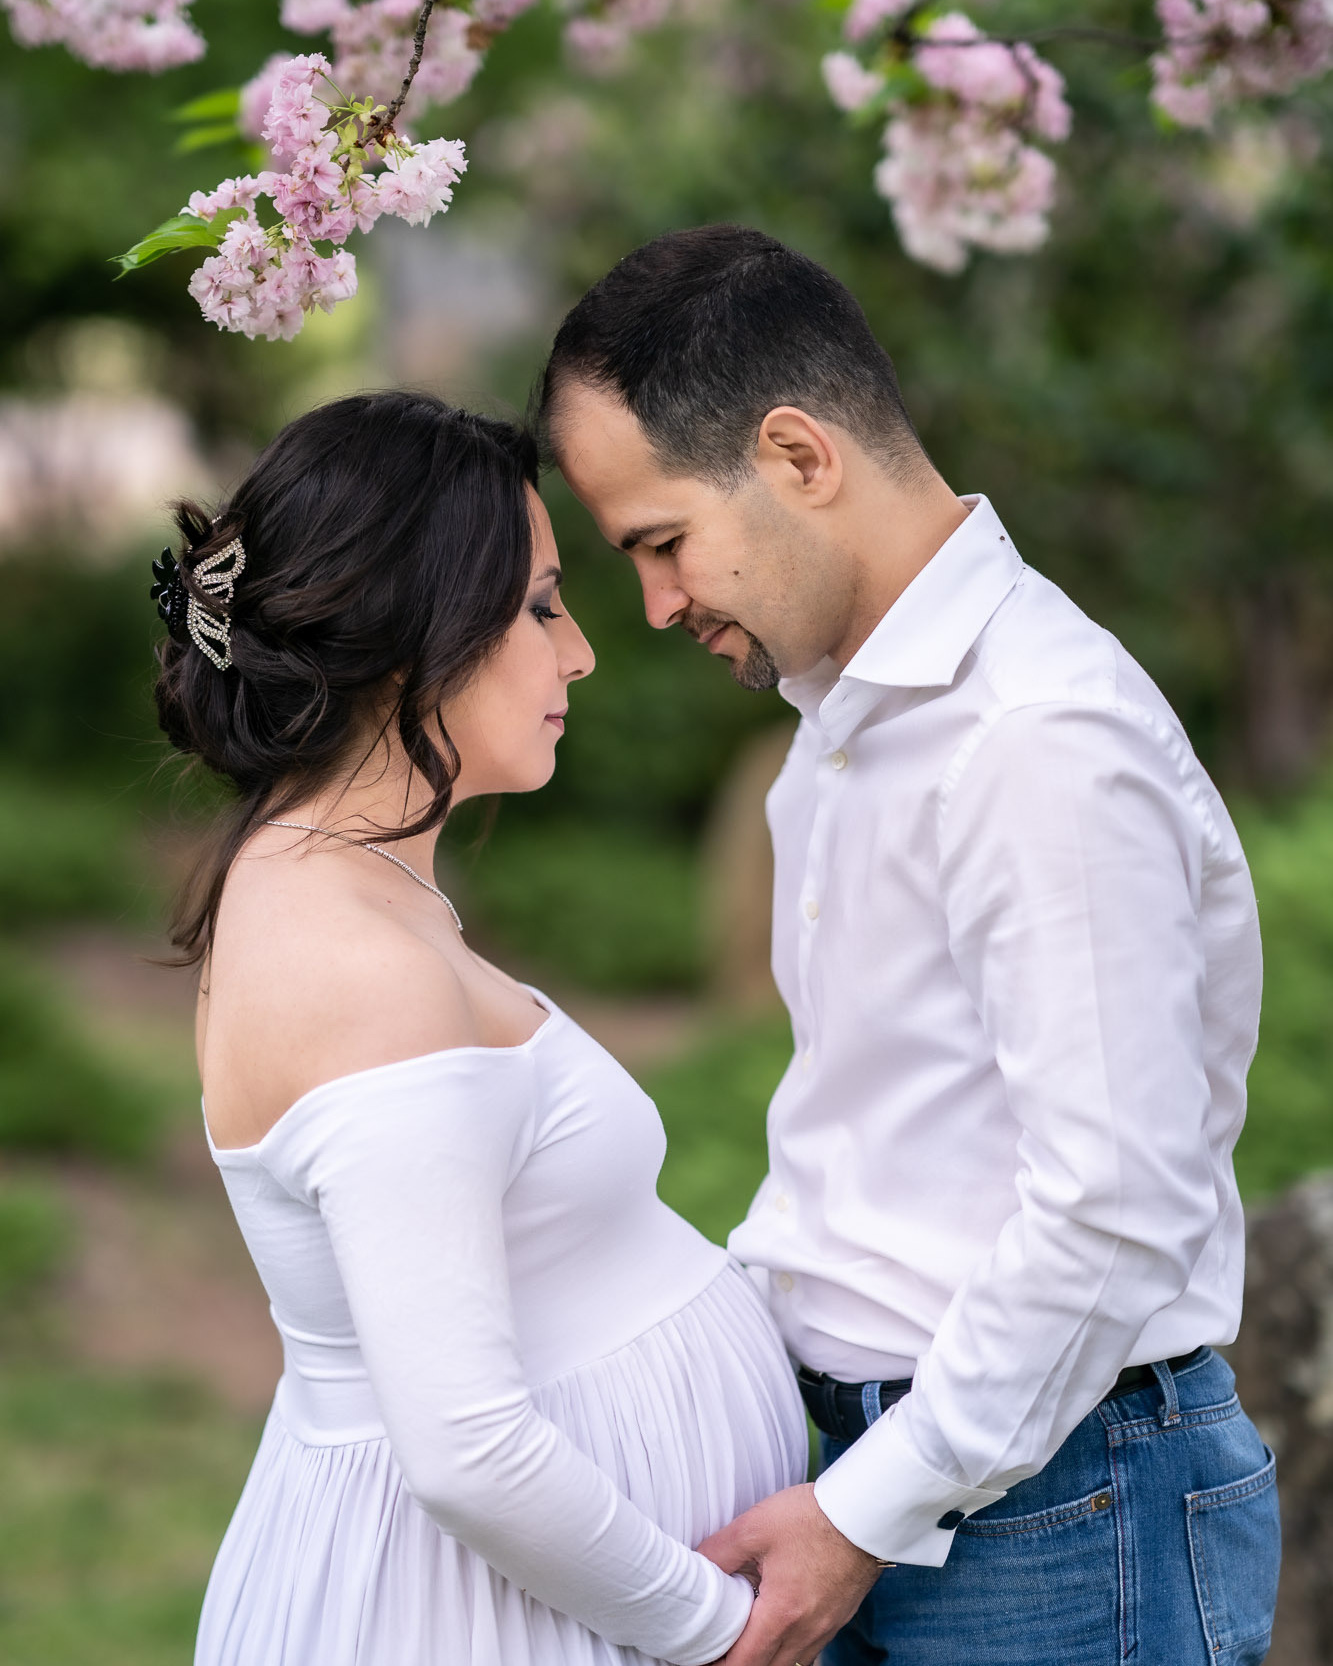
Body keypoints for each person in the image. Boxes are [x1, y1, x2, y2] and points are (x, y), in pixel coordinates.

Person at [539, 224, 1281, 1666]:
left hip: (1062, 1512)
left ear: (800, 456)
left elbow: (1113, 1208)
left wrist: (864, 1510)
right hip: (909, 1476)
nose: (656, 605)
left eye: (662, 542)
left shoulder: (1035, 738)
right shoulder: (843, 726)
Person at [153, 389, 808, 1666]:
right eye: (542, 606)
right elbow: (465, 1447)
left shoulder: (347, 884)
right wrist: (720, 1629)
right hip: (474, 1616)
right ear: (413, 633)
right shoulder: (348, 958)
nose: (580, 654)